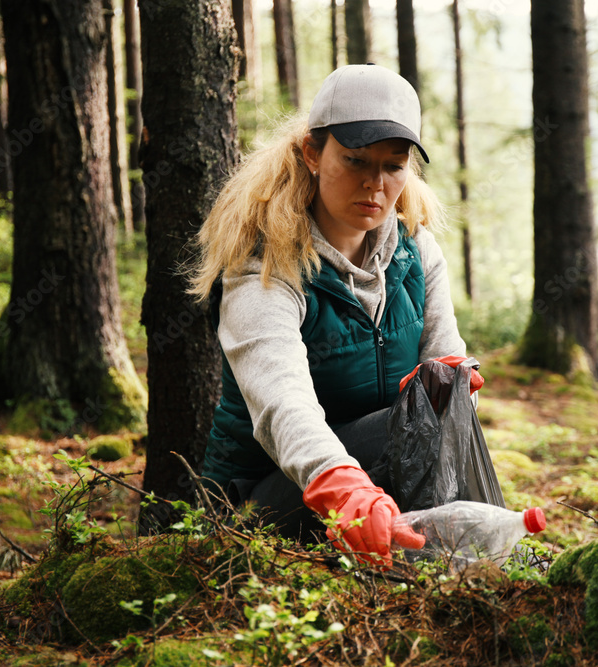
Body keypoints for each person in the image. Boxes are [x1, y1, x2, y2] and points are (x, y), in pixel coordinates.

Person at [188, 64, 481, 565]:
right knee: (405, 425)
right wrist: (342, 487)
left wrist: (451, 385)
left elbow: (446, 369)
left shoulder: (416, 251)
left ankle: (457, 564)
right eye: (355, 160)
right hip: (263, 502)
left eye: (393, 166)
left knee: (434, 411)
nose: (375, 184)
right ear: (312, 153)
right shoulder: (264, 267)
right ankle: (434, 567)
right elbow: (283, 404)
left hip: (375, 482)